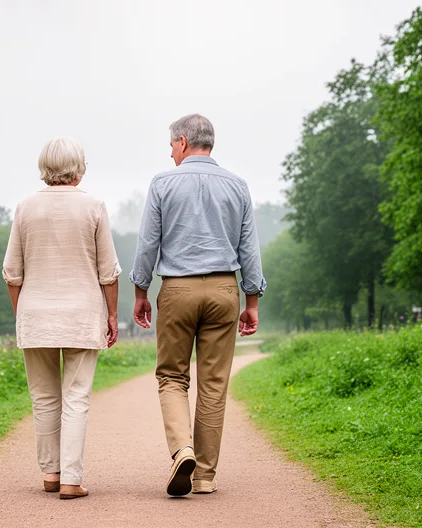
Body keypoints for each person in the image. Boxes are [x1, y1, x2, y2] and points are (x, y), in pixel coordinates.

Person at [130, 114, 266, 497]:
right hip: (224, 290)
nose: (170, 151)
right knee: (214, 384)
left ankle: (182, 450)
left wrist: (141, 291)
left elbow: (147, 244)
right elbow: (249, 249)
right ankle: (204, 475)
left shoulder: (162, 183)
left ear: (184, 142)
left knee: (172, 377)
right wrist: (251, 300)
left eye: (172, 144)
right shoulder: (237, 186)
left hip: (177, 290)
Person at [2, 137, 121, 500]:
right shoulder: (94, 207)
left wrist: (23, 314)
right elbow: (109, 273)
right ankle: (71, 479)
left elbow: (12, 272)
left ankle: (50, 474)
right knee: (76, 397)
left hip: (35, 312)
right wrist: (112, 315)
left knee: (44, 397)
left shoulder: (25, 208)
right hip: (83, 314)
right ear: (79, 167)